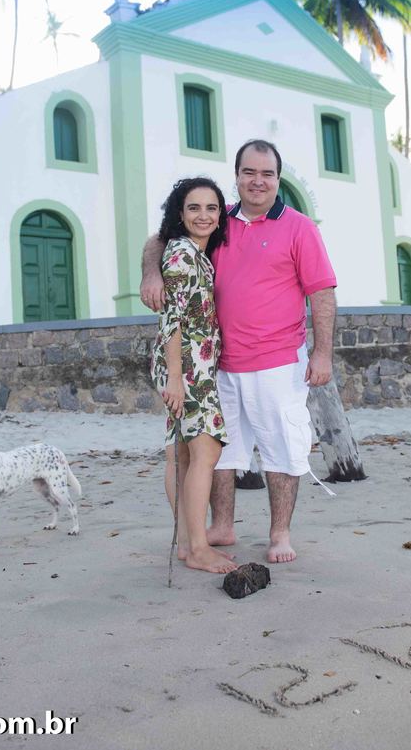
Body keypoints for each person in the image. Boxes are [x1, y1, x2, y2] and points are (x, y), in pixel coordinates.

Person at [141, 140, 337, 564]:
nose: (257, 181)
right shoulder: (218, 220)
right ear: (237, 176)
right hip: (218, 364)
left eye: (267, 173)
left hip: (278, 362)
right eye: (249, 172)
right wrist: (150, 275)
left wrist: (323, 353)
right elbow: (161, 238)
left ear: (278, 179)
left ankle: (279, 534)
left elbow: (321, 292)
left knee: (281, 450)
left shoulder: (300, 227)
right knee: (218, 452)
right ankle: (222, 526)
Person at [150, 177, 238, 575]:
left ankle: (187, 543)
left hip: (190, 364)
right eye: (193, 208)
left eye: (211, 208)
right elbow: (172, 318)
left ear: (220, 215)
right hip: (186, 366)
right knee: (207, 451)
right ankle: (199, 548)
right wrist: (175, 376)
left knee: (184, 454)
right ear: (179, 214)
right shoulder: (182, 254)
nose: (203, 215)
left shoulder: (196, 254)